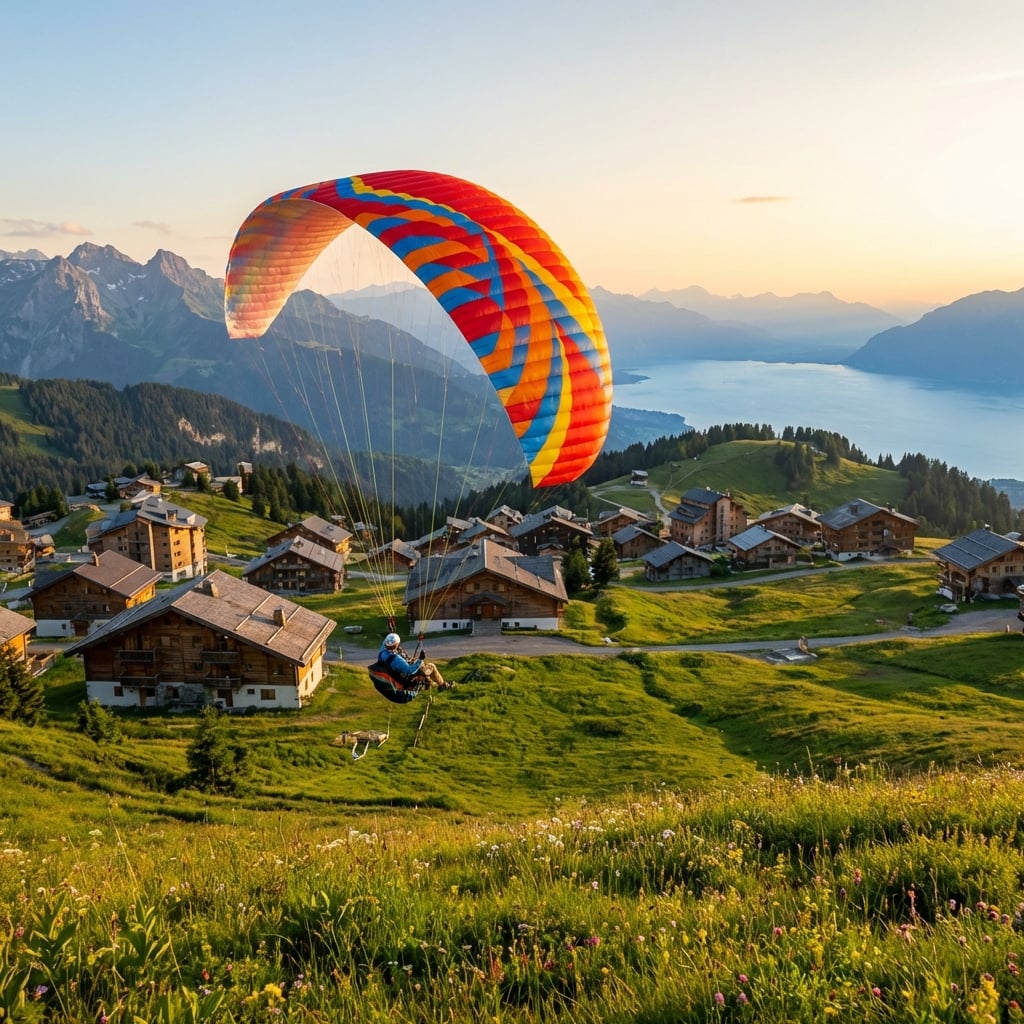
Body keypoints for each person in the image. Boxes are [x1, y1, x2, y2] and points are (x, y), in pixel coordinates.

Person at [376, 632, 448, 691]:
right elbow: (410, 670)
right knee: (431, 666)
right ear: (396, 645)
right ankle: (442, 685)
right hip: (406, 677)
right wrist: (420, 659)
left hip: (395, 674)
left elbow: (387, 641)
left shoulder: (384, 651)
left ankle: (428, 683)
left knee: (421, 665)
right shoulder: (396, 659)